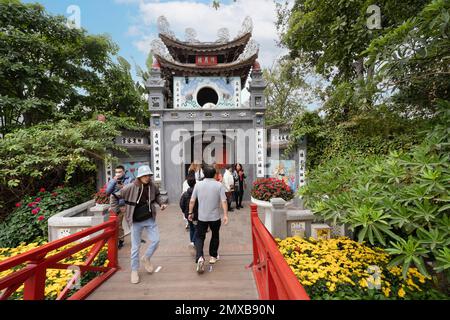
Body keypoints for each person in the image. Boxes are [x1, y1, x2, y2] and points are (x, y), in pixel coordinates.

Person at [110, 165, 168, 284]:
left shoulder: (152, 186)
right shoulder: (130, 187)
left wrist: (161, 203)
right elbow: (114, 196)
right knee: (135, 248)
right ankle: (134, 271)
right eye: (145, 175)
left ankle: (146, 258)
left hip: (149, 218)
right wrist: (116, 210)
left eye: (149, 175)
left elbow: (157, 195)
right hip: (135, 221)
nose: (147, 177)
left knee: (156, 240)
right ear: (139, 176)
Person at [188, 165, 229, 273]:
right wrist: (225, 215)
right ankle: (213, 256)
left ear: (204, 174)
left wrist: (190, 212)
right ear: (214, 174)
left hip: (202, 217)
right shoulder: (219, 185)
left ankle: (200, 257)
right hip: (215, 217)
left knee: (200, 237)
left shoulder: (198, 185)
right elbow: (224, 201)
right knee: (215, 235)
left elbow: (192, 200)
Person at [106, 165, 134, 249]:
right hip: (118, 206)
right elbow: (108, 192)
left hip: (128, 205)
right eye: (116, 172)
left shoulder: (129, 180)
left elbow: (131, 190)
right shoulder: (113, 180)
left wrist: (123, 187)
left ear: (124, 172)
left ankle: (136, 238)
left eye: (119, 172)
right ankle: (121, 240)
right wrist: (114, 181)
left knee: (132, 223)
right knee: (118, 224)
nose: (118, 174)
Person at [180, 175, 198, 250]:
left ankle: (192, 242)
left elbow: (181, 204)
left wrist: (185, 212)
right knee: (197, 228)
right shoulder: (197, 193)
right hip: (196, 214)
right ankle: (193, 242)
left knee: (191, 228)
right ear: (195, 183)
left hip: (188, 214)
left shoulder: (185, 194)